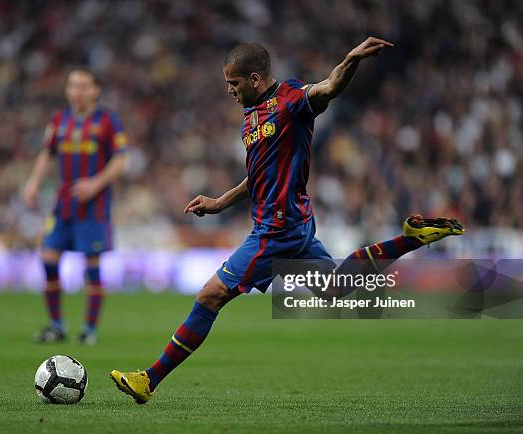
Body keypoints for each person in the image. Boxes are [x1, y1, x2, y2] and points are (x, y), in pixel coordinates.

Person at [110, 38, 464, 402]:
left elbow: (329, 87)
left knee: (210, 295)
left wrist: (350, 60)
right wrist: (220, 202)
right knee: (335, 288)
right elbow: (258, 174)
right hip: (296, 223)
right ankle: (410, 238)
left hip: (276, 230)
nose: (230, 91)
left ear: (254, 78)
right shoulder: (252, 113)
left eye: (234, 84)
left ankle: (148, 380)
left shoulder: (293, 102)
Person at [23, 68, 129, 345]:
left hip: (94, 206)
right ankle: (56, 326)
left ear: (95, 90)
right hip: (64, 203)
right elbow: (47, 153)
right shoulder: (59, 120)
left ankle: (89, 330)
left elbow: (120, 160)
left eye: (83, 86)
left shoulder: (108, 120)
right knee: (48, 259)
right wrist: (33, 182)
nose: (76, 91)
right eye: (72, 85)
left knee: (91, 267)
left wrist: (96, 183)